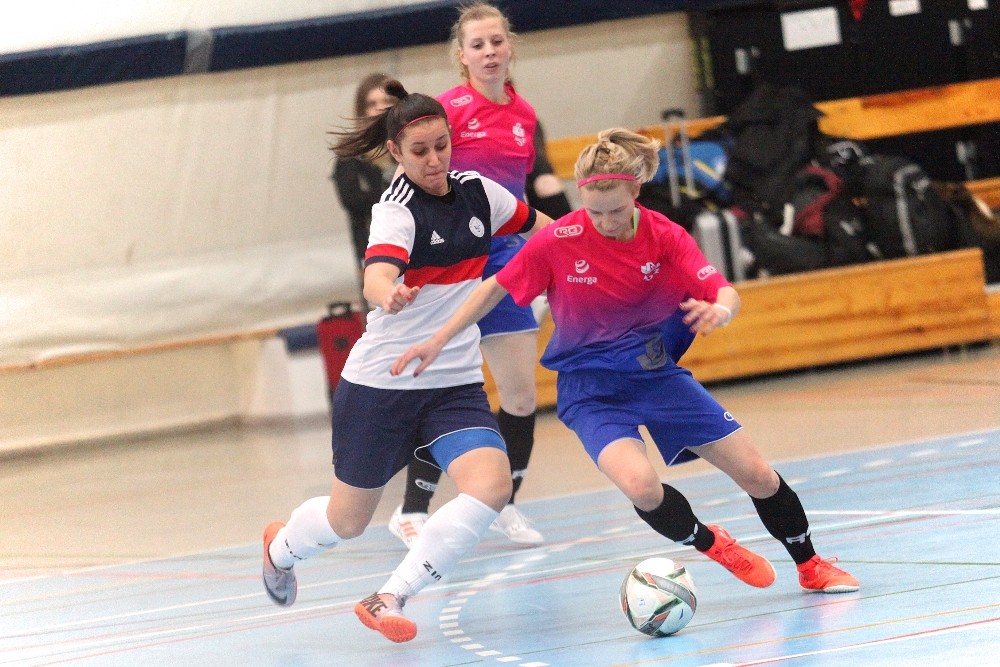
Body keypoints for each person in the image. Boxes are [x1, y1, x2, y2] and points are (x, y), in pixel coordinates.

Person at [392, 128, 861, 596]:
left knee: (757, 474)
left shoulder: (665, 236)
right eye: (594, 211)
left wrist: (721, 311)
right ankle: (711, 542)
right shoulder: (559, 239)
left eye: (615, 210)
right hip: (590, 391)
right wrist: (439, 338)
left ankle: (811, 564)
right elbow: (494, 287)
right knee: (642, 488)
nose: (605, 222)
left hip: (658, 379)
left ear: (635, 192)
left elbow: (722, 290)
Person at [261, 81, 552, 644]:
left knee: (491, 486)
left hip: (453, 383)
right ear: (396, 151)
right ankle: (279, 548)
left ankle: (389, 596)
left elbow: (546, 230)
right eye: (420, 151)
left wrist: (597, 236)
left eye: (442, 145)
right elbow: (376, 272)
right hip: (382, 385)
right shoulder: (395, 210)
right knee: (348, 521)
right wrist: (386, 292)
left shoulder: (480, 194)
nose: (435, 159)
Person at [388, 1, 548, 548]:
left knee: (520, 396)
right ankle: (411, 509)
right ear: (462, 55)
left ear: (510, 46)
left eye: (497, 41)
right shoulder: (449, 109)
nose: (489, 52)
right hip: (453, 264)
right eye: (478, 44)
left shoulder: (525, 115)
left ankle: (505, 503)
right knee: (447, 390)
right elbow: (414, 176)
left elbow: (517, 201)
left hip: (506, 265)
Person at [331, 73, 399, 287]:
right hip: (374, 246)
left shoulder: (410, 145)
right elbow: (351, 200)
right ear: (362, 110)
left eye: (387, 101)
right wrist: (396, 197)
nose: (381, 108)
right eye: (372, 104)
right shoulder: (351, 154)